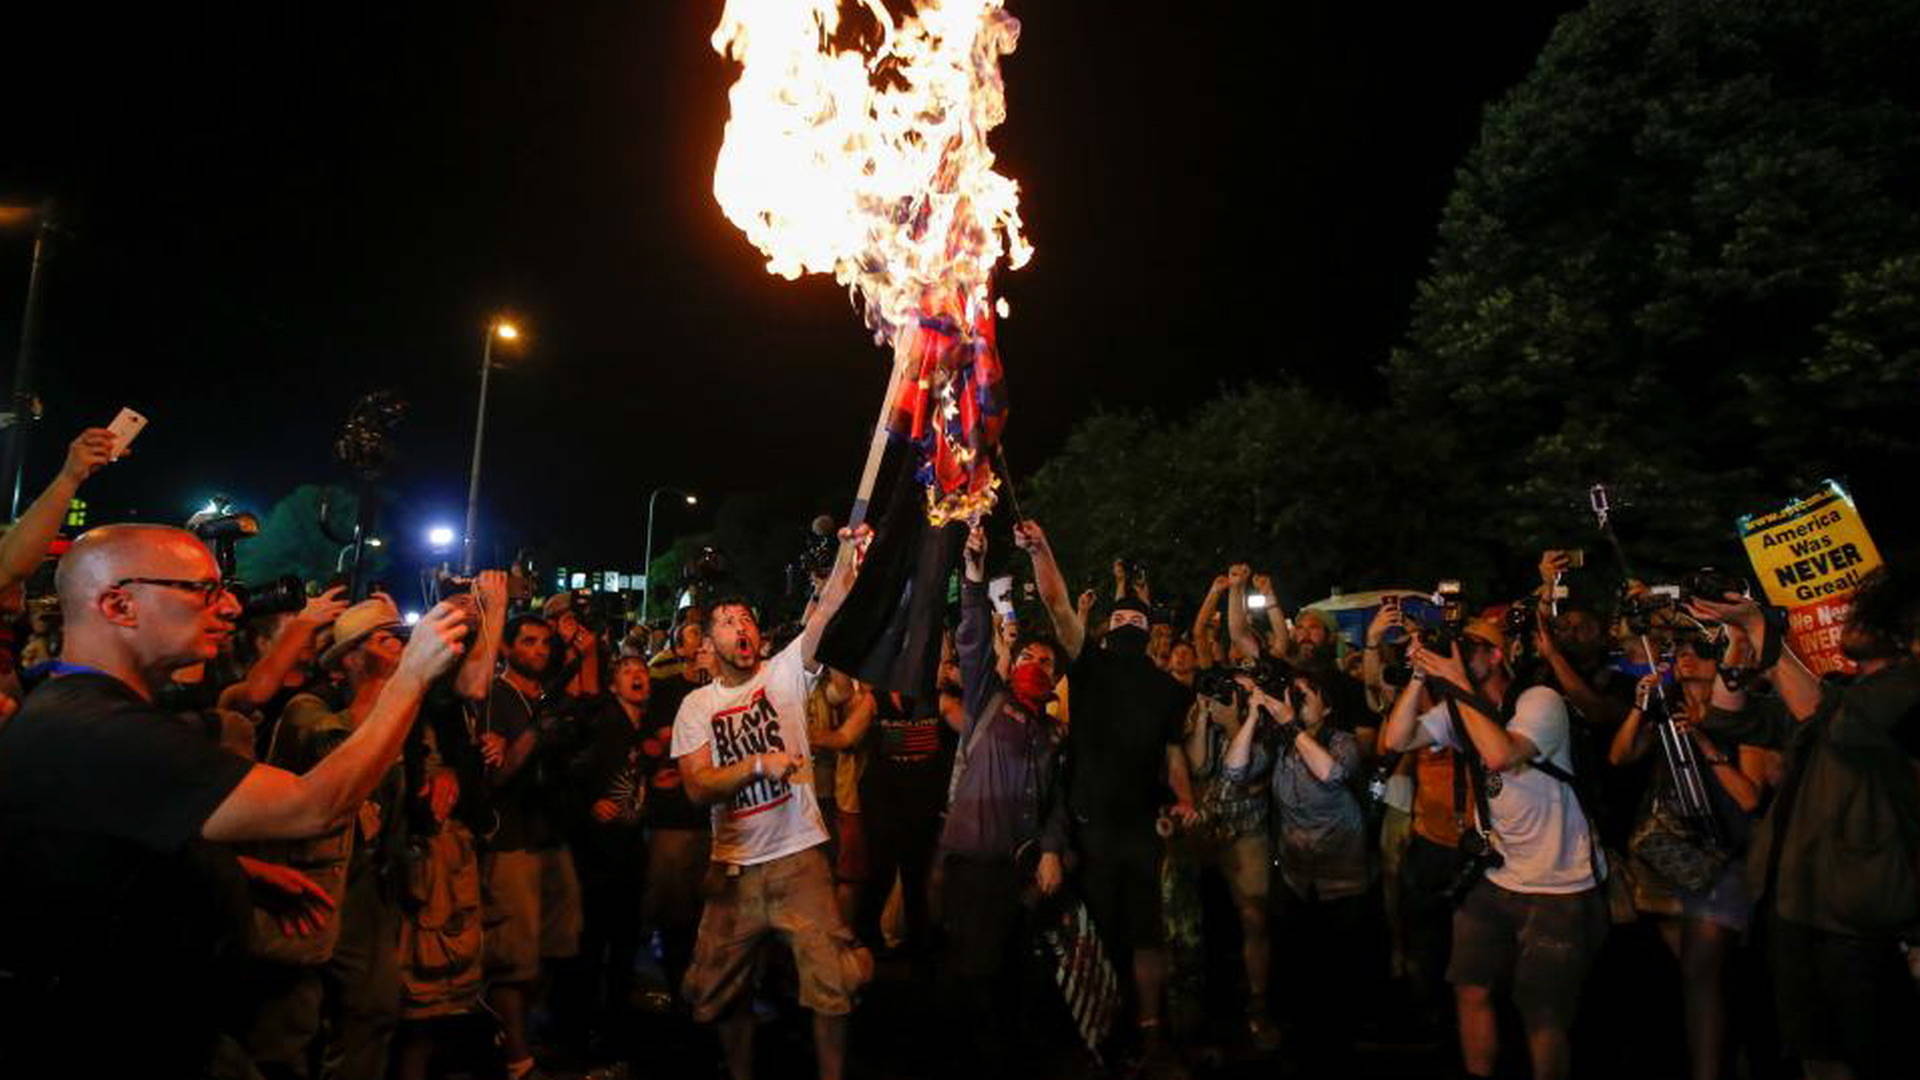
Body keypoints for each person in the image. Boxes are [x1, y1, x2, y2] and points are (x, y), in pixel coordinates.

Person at [0, 524, 469, 1076]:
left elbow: (101, 840)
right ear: (119, 604)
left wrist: (231, 866)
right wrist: (411, 677)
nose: (227, 608)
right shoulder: (101, 728)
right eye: (203, 590)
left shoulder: (80, 707)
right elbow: (312, 806)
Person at [1692, 568, 1920, 1080]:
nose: (1846, 617)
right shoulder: (1838, 692)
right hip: (1798, 906)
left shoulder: (1905, 692)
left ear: (1899, 627)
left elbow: (1834, 721)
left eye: (1862, 611)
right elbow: (1729, 716)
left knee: (1870, 1055)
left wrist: (1760, 628)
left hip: (1860, 917)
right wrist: (1735, 637)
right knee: (1817, 1056)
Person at [671, 528, 868, 1080]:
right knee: (717, 990)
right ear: (708, 644)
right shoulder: (696, 705)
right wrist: (757, 766)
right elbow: (696, 786)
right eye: (729, 621)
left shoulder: (785, 672)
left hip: (800, 858)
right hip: (733, 866)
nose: (744, 628)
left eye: (748, 619)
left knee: (834, 983)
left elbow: (829, 607)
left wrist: (848, 555)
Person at [1380, 617, 1606, 1080]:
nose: (1459, 652)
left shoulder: (1539, 701)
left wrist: (1456, 681)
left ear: (1498, 655)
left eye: (1471, 645)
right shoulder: (1458, 707)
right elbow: (1396, 739)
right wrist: (1422, 674)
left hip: (1558, 882)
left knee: (1541, 1011)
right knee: (1469, 986)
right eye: (1456, 646)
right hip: (1498, 875)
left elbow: (1500, 753)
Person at [1015, 519, 1197, 1079]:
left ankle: (1112, 1034)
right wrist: (1185, 802)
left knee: (1108, 933)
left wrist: (1043, 548)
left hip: (1106, 827)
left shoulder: (1096, 667)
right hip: (1126, 827)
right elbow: (1173, 756)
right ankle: (1138, 1032)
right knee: (1136, 933)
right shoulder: (1163, 686)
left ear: (1115, 628)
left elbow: (1056, 602)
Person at [238, 595, 421, 1080]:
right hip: (305, 880)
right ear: (348, 660)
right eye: (384, 641)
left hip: (365, 883)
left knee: (374, 1007)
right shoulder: (305, 709)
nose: (398, 649)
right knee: (289, 1020)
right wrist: (380, 684)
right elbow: (339, 750)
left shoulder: (401, 709)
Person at [938, 524, 1070, 1076]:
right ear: (1012, 665)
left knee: (1013, 969)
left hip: (1018, 869)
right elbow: (971, 638)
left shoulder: (1051, 734)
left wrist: (1052, 849)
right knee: (973, 971)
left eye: (1047, 662)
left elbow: (1055, 800)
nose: (1036, 664)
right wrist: (973, 576)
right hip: (974, 865)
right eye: (1029, 656)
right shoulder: (988, 699)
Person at [1607, 640, 1765, 1080]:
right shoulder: (1666, 710)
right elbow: (1620, 756)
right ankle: (1728, 1051)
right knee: (1701, 980)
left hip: (1723, 858)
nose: (1686, 660)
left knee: (1700, 975)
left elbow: (1750, 796)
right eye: (1678, 653)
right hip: (1671, 859)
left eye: (1699, 652)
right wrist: (1641, 707)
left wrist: (1702, 738)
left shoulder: (1741, 717)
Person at [1221, 670, 1368, 1065]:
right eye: (1293, 693)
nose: (1296, 699)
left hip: (1342, 880)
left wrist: (1289, 724)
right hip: (1297, 877)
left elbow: (1332, 773)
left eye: (1306, 694)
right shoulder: (1280, 746)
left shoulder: (1342, 741)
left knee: (1338, 977)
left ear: (1328, 706)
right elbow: (1234, 771)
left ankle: (1340, 1048)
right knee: (1301, 972)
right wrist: (1254, 715)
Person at [477, 613, 587, 1079]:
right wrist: (530, 736)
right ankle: (516, 1057)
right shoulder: (494, 699)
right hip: (512, 839)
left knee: (556, 946)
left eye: (545, 642)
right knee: (513, 957)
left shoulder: (547, 698)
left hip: (551, 835)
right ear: (506, 648)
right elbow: (496, 775)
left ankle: (520, 1037)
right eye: (528, 641)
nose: (540, 650)